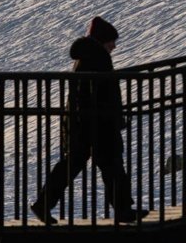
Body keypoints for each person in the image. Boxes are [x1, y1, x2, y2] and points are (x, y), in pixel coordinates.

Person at [31, 16, 145, 224]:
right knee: (111, 164)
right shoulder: (99, 58)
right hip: (96, 122)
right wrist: (114, 118)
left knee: (75, 165)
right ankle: (123, 210)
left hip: (83, 122)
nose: (114, 46)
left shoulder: (86, 56)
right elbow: (105, 93)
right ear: (103, 40)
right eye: (112, 41)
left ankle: (43, 204)